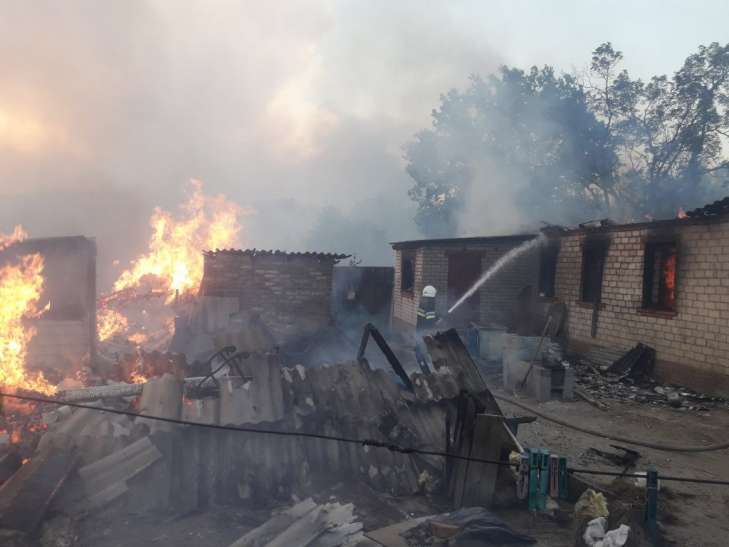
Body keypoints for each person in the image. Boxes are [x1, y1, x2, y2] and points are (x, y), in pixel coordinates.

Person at [415, 285, 438, 372]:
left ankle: (424, 368)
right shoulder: (430, 304)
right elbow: (430, 321)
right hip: (425, 332)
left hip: (419, 330)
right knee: (426, 352)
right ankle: (427, 372)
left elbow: (424, 318)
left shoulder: (422, 303)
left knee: (419, 351)